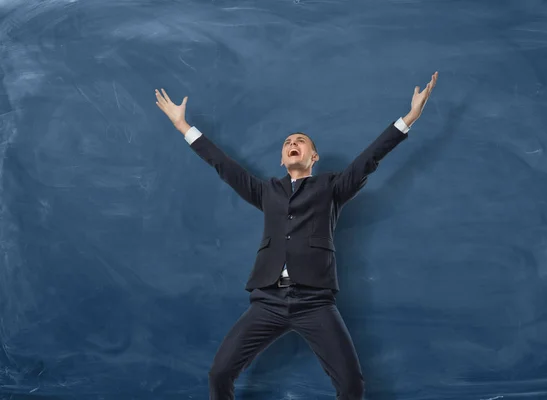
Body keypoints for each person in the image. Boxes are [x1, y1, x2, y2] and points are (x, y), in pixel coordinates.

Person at [154, 71, 438, 399]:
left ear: (313, 157)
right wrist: (182, 126)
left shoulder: (331, 187)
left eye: (300, 141)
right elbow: (224, 166)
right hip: (268, 300)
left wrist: (409, 118)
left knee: (351, 385)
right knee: (219, 373)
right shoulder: (267, 191)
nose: (293, 144)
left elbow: (369, 159)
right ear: (281, 158)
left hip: (314, 300)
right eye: (288, 142)